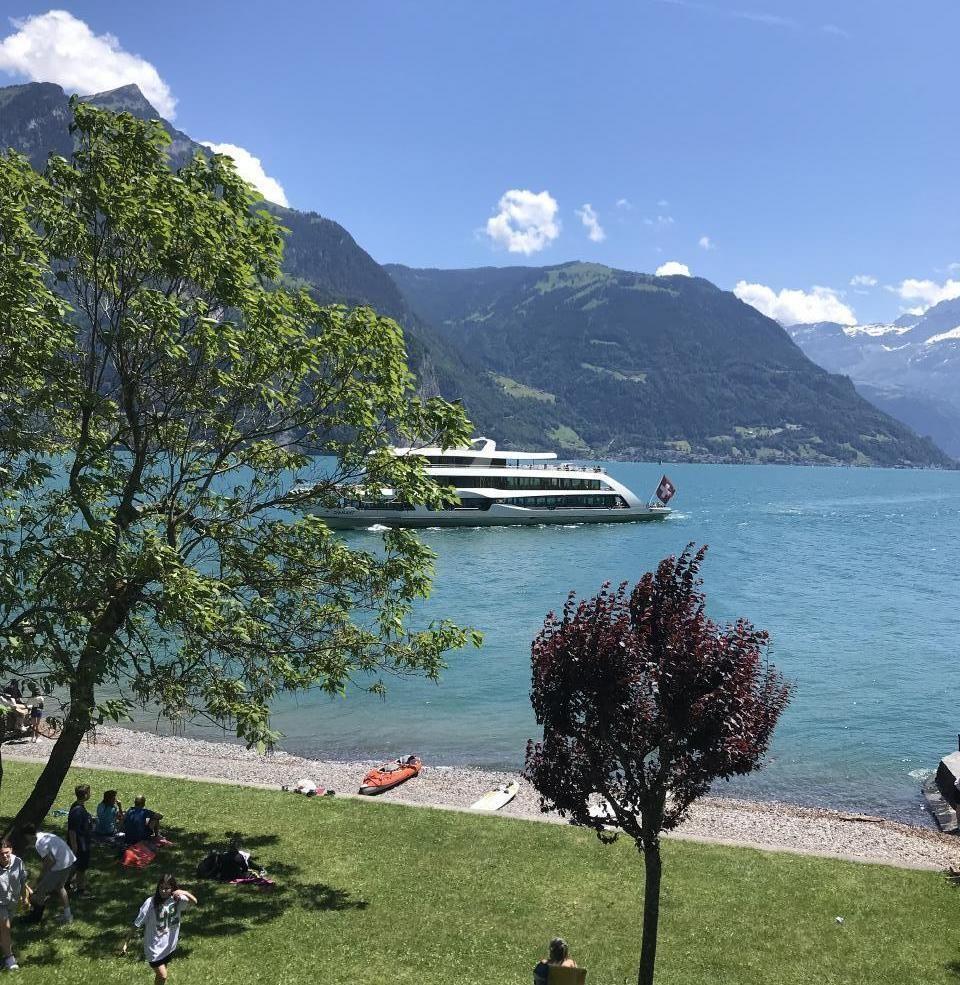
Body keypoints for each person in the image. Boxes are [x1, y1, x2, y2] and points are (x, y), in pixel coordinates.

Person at [123, 874, 197, 984]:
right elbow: (137, 923)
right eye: (161, 887)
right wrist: (126, 942)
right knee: (163, 975)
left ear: (172, 888)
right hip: (154, 948)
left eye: (167, 888)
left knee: (160, 977)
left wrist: (184, 892)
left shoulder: (177, 899)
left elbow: (194, 902)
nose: (163, 891)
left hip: (169, 946)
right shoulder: (150, 903)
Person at [21, 823, 75, 925]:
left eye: (25, 837)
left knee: (41, 890)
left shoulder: (39, 843)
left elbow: (50, 862)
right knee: (60, 887)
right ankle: (68, 916)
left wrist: (41, 877)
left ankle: (36, 917)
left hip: (60, 865)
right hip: (69, 861)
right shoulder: (45, 835)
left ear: (28, 835)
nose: (26, 840)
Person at [0, 839, 30, 971]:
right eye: (1, 854)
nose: (4, 856)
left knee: (3, 930)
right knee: (5, 927)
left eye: (6, 852)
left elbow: (22, 881)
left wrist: (24, 898)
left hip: (13, 901)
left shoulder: (18, 862)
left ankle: (4, 948)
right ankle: (10, 959)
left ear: (11, 850)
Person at [66, 783, 94, 895]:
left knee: (75, 865)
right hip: (80, 843)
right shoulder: (77, 810)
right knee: (81, 867)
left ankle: (66, 883)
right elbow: (72, 830)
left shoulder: (79, 806)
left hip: (82, 842)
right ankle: (81, 889)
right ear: (86, 795)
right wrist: (74, 846)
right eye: (89, 792)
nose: (90, 794)